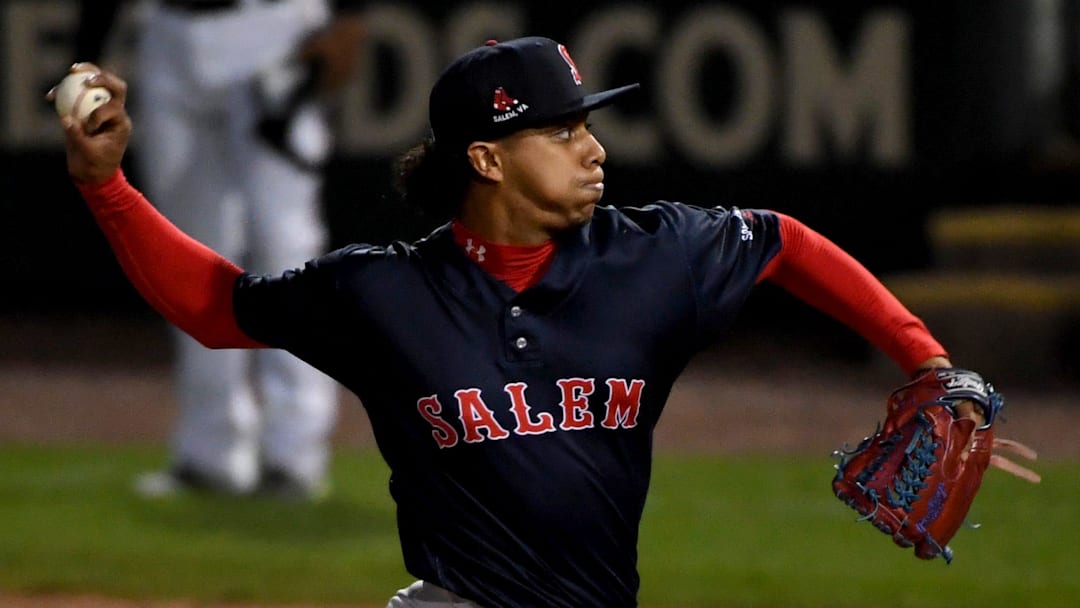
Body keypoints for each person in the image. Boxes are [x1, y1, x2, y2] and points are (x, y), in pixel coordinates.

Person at [54, 36, 991, 606]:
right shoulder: (385, 293)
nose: (595, 150)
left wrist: (928, 359)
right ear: (488, 161)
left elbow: (784, 242)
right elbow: (218, 308)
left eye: (587, 125)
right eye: (562, 131)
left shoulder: (653, 258)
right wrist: (106, 188)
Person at [72, 0, 367, 499]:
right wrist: (86, 57)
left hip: (274, 33)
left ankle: (293, 455)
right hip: (169, 32)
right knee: (186, 251)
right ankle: (209, 452)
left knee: (285, 250)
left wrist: (351, 16)